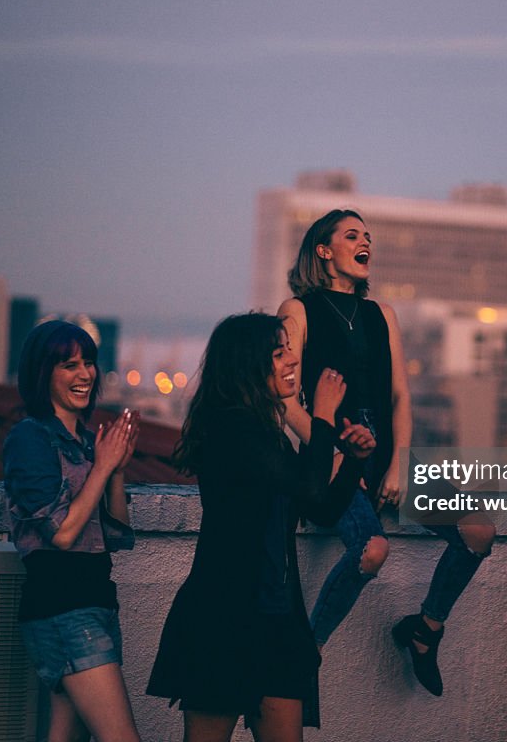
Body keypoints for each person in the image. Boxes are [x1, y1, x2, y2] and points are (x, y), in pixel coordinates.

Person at [277, 209, 494, 697]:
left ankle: (425, 630)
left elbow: (398, 395)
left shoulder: (382, 314)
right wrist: (332, 456)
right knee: (373, 548)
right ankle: (304, 652)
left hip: (387, 458)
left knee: (478, 530)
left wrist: (398, 462)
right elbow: (286, 399)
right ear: (323, 250)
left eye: (368, 237)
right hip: (330, 460)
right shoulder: (297, 310)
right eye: (352, 235)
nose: (365, 243)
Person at [146, 313, 374, 742]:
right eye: (278, 352)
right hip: (223, 619)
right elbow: (308, 481)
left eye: (289, 348)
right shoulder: (232, 431)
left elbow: (319, 507)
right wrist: (321, 416)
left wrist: (354, 462)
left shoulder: (271, 436)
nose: (292, 359)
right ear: (248, 364)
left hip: (276, 619)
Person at [3, 320, 142, 742]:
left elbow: (117, 536)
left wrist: (115, 471)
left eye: (89, 363)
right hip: (63, 607)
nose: (85, 375)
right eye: (69, 365)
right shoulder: (30, 439)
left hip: (96, 600)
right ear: (43, 373)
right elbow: (61, 535)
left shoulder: (84, 440)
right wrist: (102, 466)